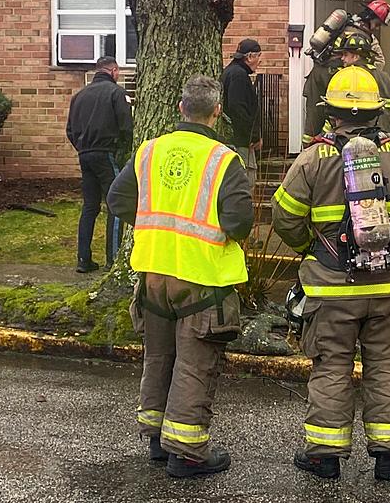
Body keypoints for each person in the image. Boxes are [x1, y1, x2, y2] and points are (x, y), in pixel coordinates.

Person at [272, 66, 390, 481]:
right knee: (385, 365)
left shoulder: (313, 158)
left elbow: (284, 216)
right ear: (378, 112)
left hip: (331, 287)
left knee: (331, 366)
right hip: (388, 288)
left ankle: (324, 456)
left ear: (330, 112)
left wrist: (311, 250)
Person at [106, 75, 254, 478]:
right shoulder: (224, 160)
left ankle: (156, 439)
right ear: (217, 112)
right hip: (201, 279)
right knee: (194, 363)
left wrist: (157, 227)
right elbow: (239, 222)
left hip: (153, 275)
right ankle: (187, 453)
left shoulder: (149, 151)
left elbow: (118, 199)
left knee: (159, 357)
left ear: (180, 109)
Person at [66, 56, 133, 273]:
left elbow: (70, 130)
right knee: (115, 203)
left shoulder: (78, 97)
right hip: (107, 154)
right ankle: (112, 260)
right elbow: (126, 126)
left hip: (84, 154)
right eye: (118, 72)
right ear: (113, 70)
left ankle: (83, 259)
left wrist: (82, 147)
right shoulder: (116, 93)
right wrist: (122, 151)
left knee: (90, 206)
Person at [301, 0, 390, 145]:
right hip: (335, 77)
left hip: (318, 74)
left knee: (314, 119)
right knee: (336, 116)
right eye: (377, 24)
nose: (377, 28)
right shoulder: (360, 35)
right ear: (371, 18)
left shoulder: (348, 25)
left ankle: (308, 151)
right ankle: (331, 151)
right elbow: (367, 65)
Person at [221, 38, 262, 184]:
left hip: (235, 139)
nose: (259, 61)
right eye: (258, 56)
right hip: (241, 142)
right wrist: (252, 137)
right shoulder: (239, 76)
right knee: (246, 181)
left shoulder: (231, 72)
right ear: (249, 57)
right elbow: (238, 109)